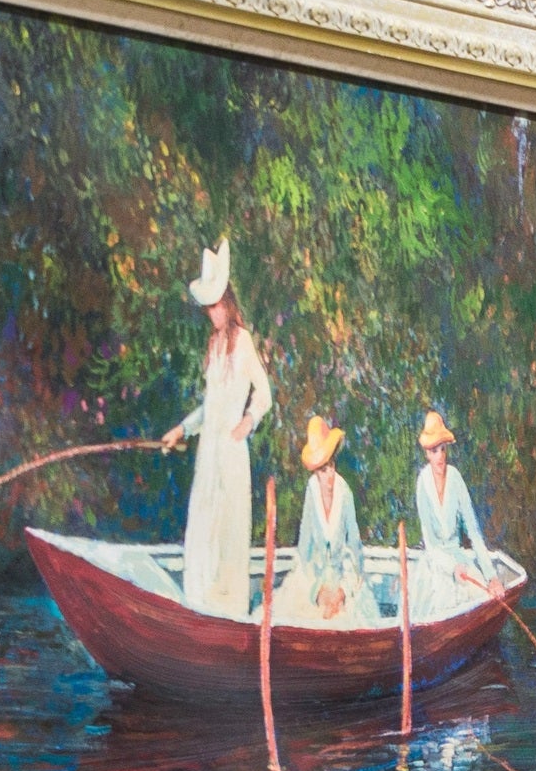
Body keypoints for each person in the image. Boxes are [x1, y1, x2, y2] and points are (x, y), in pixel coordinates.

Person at [160, 238, 272, 618]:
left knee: (229, 526)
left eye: (217, 305)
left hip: (231, 448)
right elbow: (209, 407)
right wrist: (182, 429)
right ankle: (201, 605)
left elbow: (264, 393)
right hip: (209, 449)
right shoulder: (212, 346)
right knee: (204, 522)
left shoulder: (243, 342)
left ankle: (229, 609)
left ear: (228, 302)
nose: (213, 313)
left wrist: (248, 421)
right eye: (208, 308)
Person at [273, 416, 375, 625]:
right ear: (315, 472)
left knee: (346, 620)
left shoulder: (344, 493)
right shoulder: (311, 490)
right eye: (322, 470)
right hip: (314, 580)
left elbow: (354, 549)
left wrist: (342, 591)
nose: (329, 474)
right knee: (300, 617)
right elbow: (305, 549)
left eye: (331, 466)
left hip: (341, 579)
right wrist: (317, 591)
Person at [409, 409, 494, 620]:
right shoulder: (423, 483)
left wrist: (491, 576)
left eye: (443, 449)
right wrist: (452, 568)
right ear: (427, 454)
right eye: (434, 451)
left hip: (458, 556)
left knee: (483, 595)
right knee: (443, 607)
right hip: (436, 563)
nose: (440, 456)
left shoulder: (455, 479)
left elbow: (473, 531)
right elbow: (430, 543)